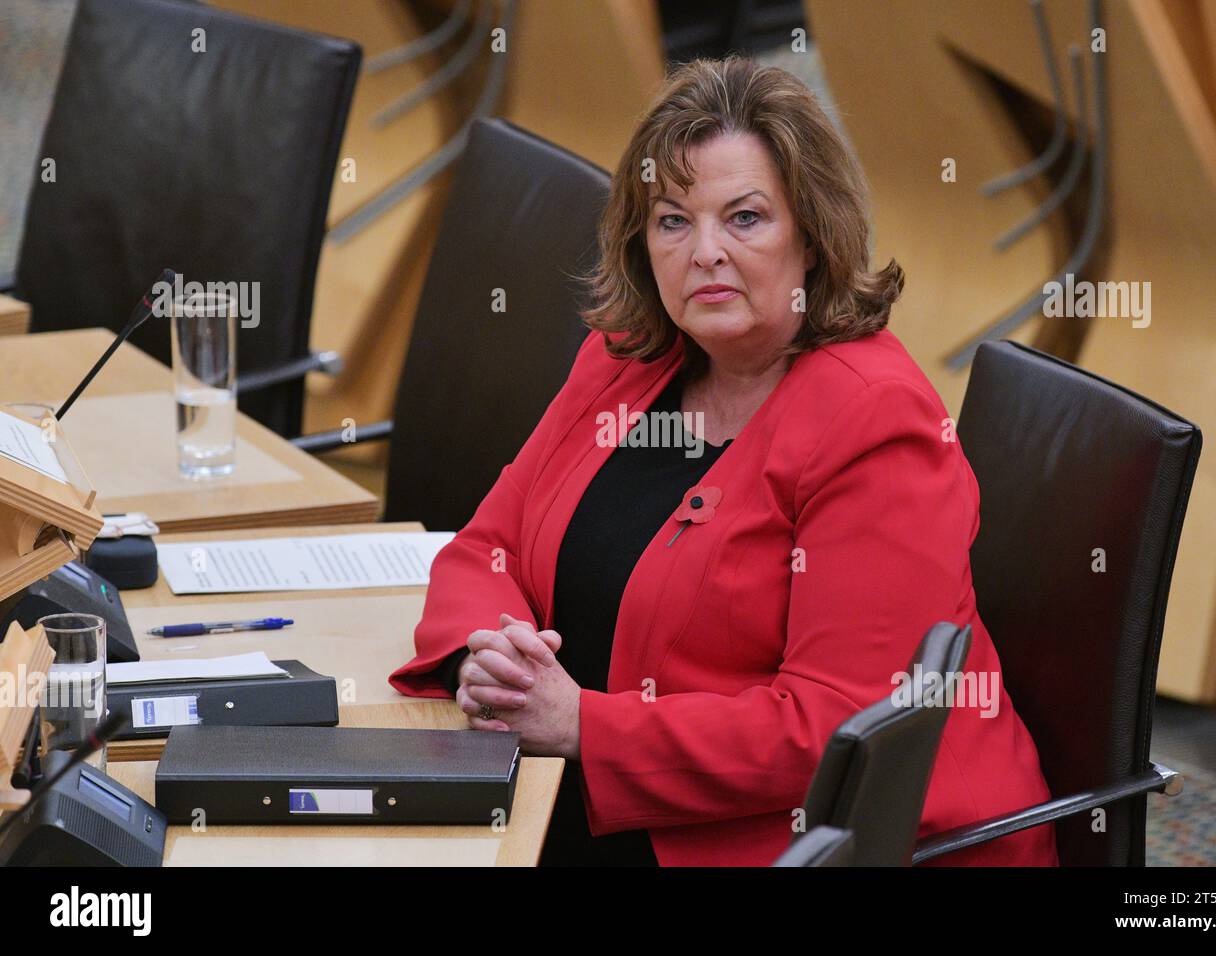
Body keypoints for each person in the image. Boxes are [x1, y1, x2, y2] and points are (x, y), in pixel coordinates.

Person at [390, 55, 1058, 867]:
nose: (704, 251)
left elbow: (837, 728)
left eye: (743, 219)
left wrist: (582, 725)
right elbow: (485, 546)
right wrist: (487, 657)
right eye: (673, 220)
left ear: (812, 235)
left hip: (785, 845)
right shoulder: (626, 359)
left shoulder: (877, 425)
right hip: (562, 793)